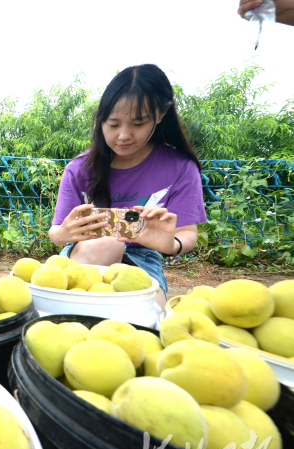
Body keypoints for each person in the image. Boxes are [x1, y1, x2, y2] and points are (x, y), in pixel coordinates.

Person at [47, 64, 207, 309]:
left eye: (138, 124)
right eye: (113, 125)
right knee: (107, 242)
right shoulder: (79, 168)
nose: (123, 135)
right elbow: (56, 232)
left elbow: (188, 233)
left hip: (143, 260)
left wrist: (171, 244)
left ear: (161, 115)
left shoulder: (180, 168)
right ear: (100, 120)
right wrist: (63, 234)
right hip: (84, 254)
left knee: (148, 315)